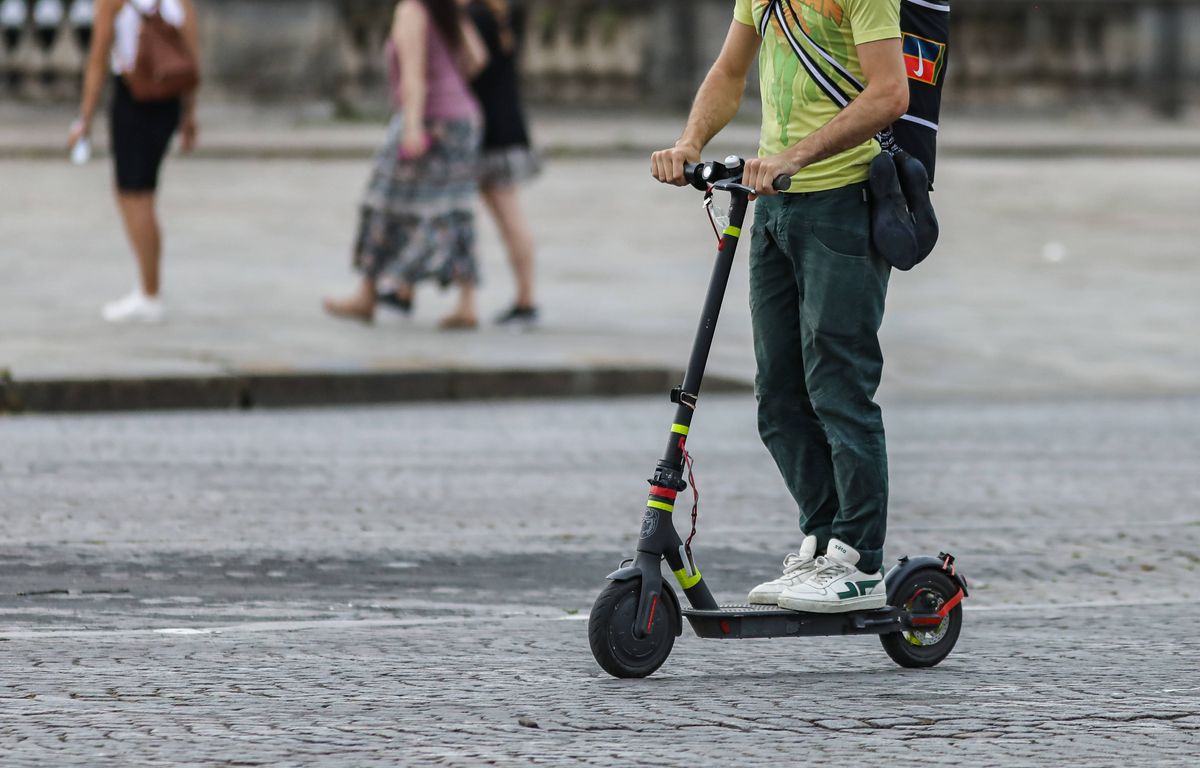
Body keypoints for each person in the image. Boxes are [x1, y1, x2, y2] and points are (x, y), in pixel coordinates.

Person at [651, 0, 910, 613]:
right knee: (778, 397)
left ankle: (860, 560)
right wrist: (690, 142)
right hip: (773, 209)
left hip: (842, 203)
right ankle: (822, 544)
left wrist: (795, 156)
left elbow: (889, 92)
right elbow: (729, 71)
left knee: (839, 389)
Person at [325, 0, 488, 330]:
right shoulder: (446, 11)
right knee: (454, 210)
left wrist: (411, 128)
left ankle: (367, 293)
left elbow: (414, 76)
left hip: (428, 120)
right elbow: (478, 59)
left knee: (383, 203)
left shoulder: (412, 11)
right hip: (464, 121)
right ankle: (466, 302)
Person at [69, 0, 199, 324]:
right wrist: (189, 114)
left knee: (134, 195)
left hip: (134, 100)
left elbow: (98, 58)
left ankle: (149, 291)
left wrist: (84, 118)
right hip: (168, 102)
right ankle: (149, 286)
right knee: (143, 192)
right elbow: (191, 59)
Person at [462, 0, 541, 328]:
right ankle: (525, 298)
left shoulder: (476, 15)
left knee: (507, 217)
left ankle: (526, 299)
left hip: (491, 132)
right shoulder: (498, 13)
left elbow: (470, 65)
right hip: (505, 126)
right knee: (507, 217)